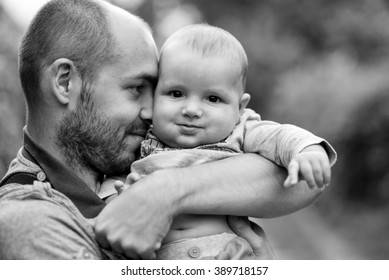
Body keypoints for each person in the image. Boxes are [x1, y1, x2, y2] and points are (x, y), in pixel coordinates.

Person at [0, 0, 324, 260]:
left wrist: (165, 191)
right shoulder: (29, 222)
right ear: (65, 82)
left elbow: (300, 181)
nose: (151, 110)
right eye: (136, 88)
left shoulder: (128, 155)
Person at [101, 24, 337, 259]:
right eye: (176, 93)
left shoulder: (240, 128)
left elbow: (280, 136)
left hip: (226, 255)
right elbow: (113, 182)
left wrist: (308, 151)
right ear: (154, 95)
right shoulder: (143, 137)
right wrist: (116, 200)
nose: (191, 109)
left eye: (213, 98)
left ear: (239, 107)